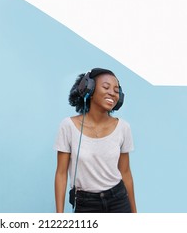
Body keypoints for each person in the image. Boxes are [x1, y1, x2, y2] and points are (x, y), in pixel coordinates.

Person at [54, 68, 137, 213]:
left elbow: (125, 172)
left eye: (116, 90)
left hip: (118, 199)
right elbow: (61, 173)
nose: (112, 92)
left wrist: (135, 215)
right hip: (86, 203)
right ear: (89, 89)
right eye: (106, 87)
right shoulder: (68, 126)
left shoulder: (123, 127)